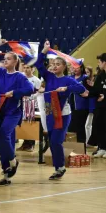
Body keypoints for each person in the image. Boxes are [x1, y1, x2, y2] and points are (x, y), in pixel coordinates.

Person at [0, 39, 34, 186]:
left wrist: (15, 92)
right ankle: (11, 163)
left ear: (15, 61)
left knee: (4, 135)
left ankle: (8, 169)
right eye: (4, 59)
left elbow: (29, 90)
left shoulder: (20, 76)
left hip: (12, 112)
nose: (5, 61)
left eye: (8, 59)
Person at [35, 41, 87, 179]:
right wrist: (44, 50)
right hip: (50, 113)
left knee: (56, 141)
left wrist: (67, 89)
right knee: (51, 141)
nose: (55, 66)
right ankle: (58, 167)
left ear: (64, 66)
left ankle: (61, 167)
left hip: (62, 114)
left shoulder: (68, 80)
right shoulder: (49, 76)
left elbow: (81, 89)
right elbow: (38, 64)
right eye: (53, 64)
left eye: (58, 64)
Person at [17, 64, 41, 152]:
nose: (26, 69)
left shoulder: (36, 80)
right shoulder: (21, 77)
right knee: (23, 124)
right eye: (24, 68)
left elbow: (39, 92)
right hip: (21, 104)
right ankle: (24, 143)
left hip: (31, 104)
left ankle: (31, 144)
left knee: (31, 124)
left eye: (28, 68)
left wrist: (30, 97)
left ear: (33, 69)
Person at [87, 53, 106, 157]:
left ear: (104, 62)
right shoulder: (100, 75)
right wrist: (88, 88)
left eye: (99, 62)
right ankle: (102, 148)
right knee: (99, 126)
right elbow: (96, 90)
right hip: (100, 107)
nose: (98, 64)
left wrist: (104, 96)